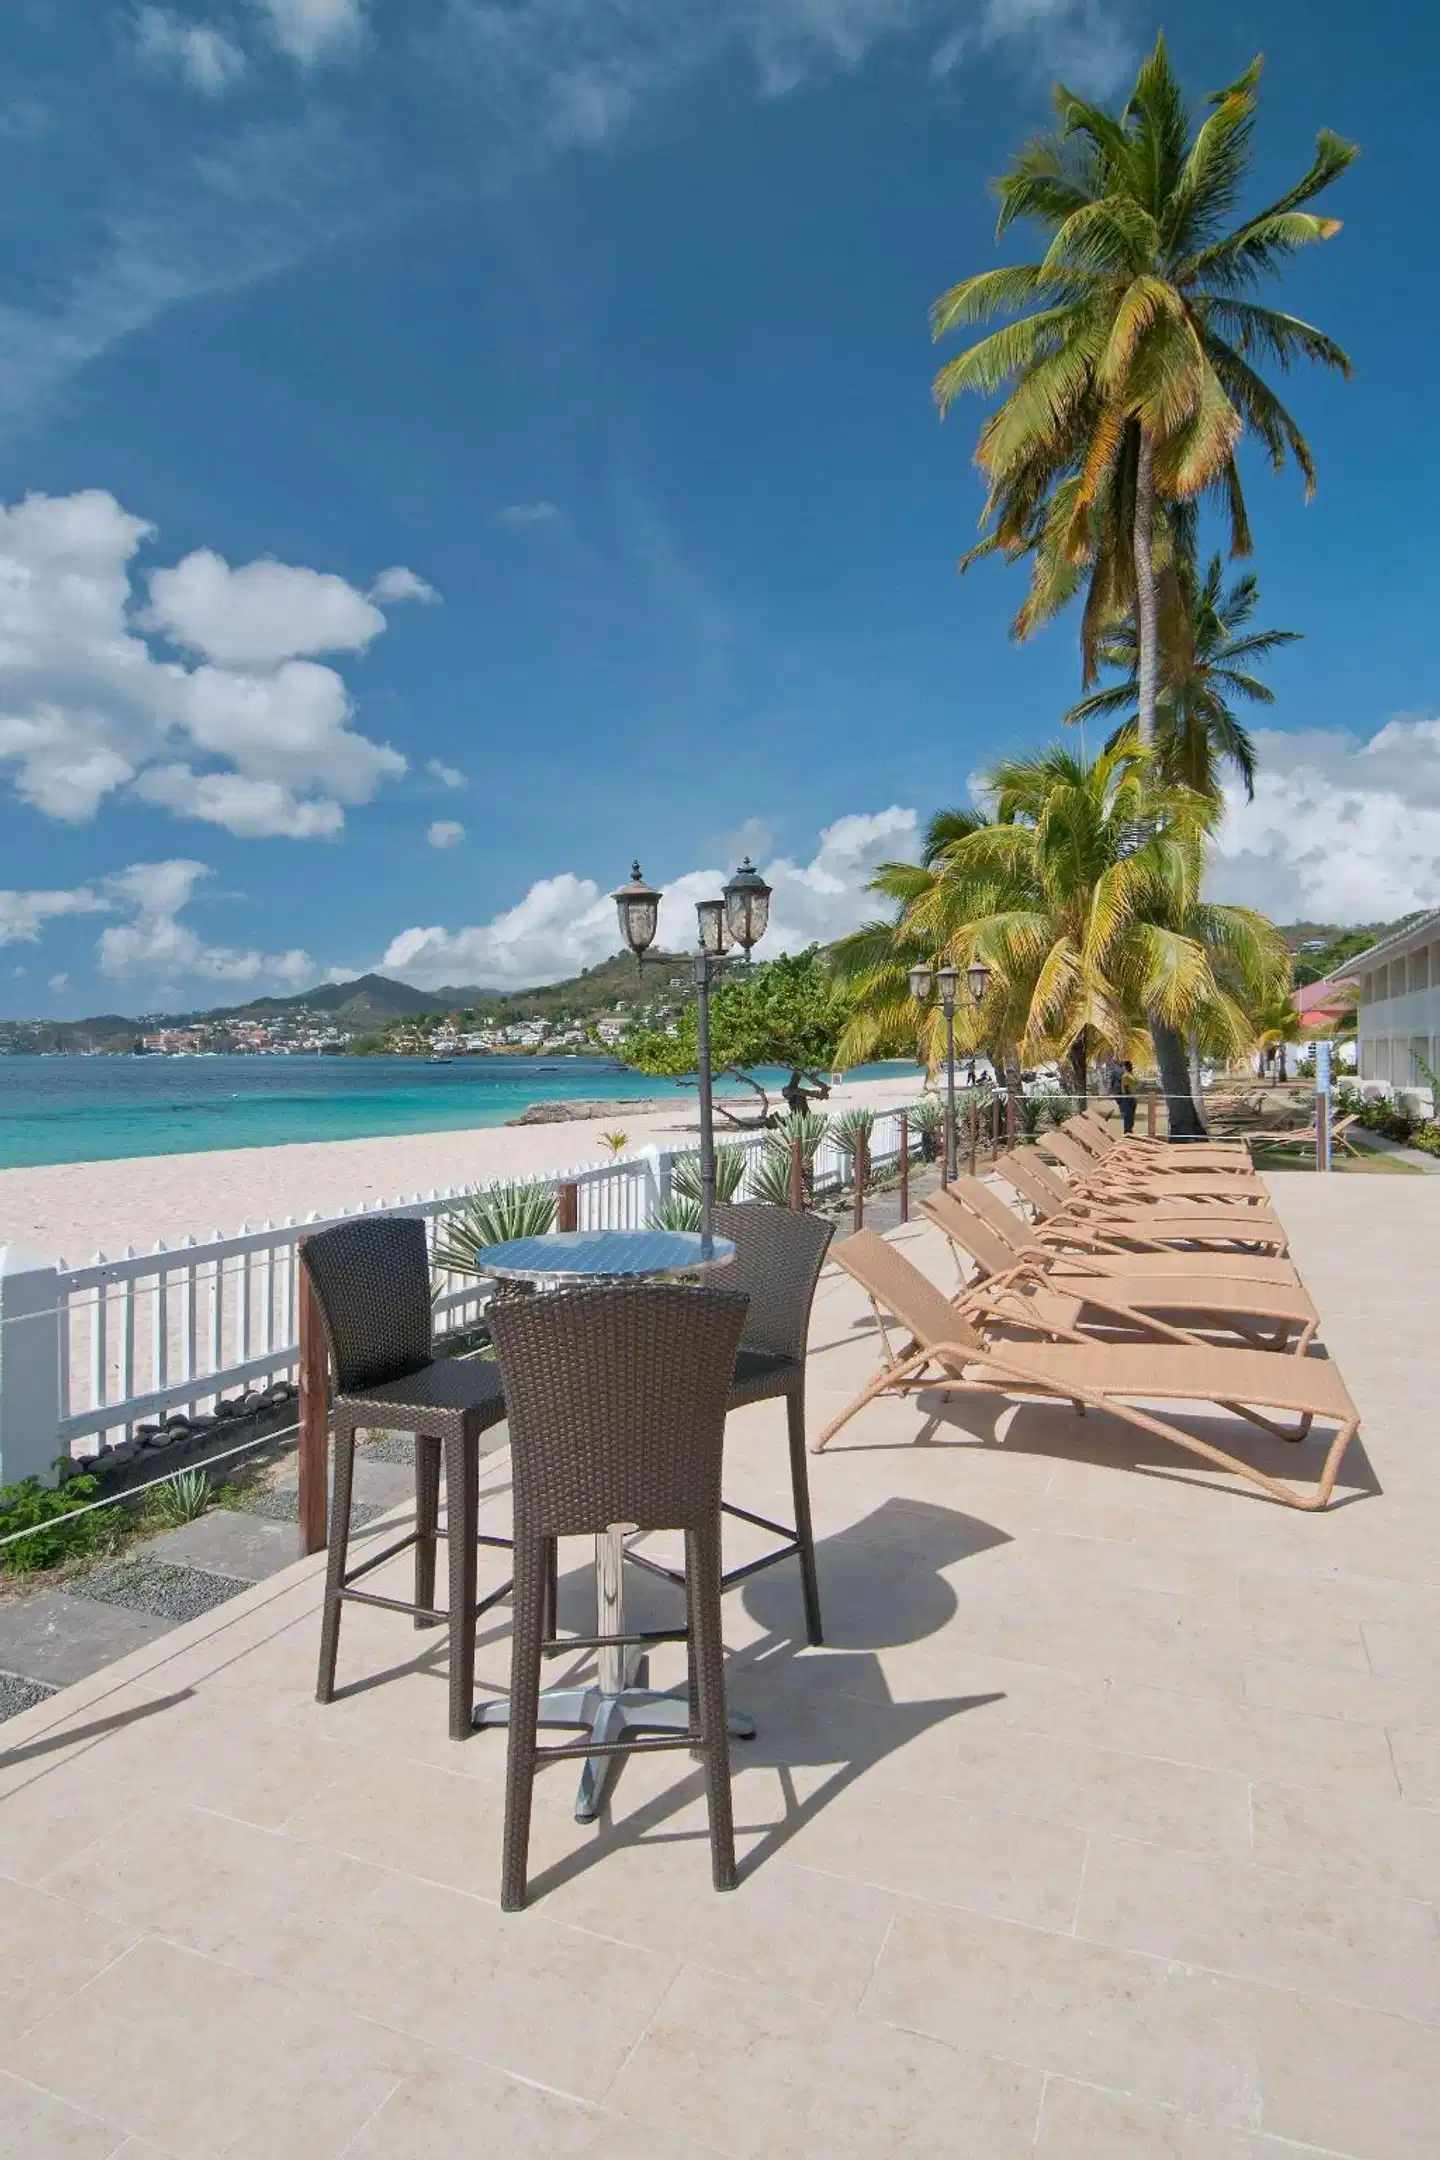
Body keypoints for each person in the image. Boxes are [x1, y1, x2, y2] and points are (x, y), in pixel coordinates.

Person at [1116, 1058, 1137, 1136]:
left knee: (1131, 1119)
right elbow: (1126, 1089)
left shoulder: (1130, 1075)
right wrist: (1131, 1100)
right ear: (1125, 1067)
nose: (1131, 1067)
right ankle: (1127, 1134)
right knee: (1128, 1118)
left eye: (1131, 1065)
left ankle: (1130, 1133)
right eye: (1128, 1066)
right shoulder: (1125, 1076)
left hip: (1132, 1098)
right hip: (1128, 1099)